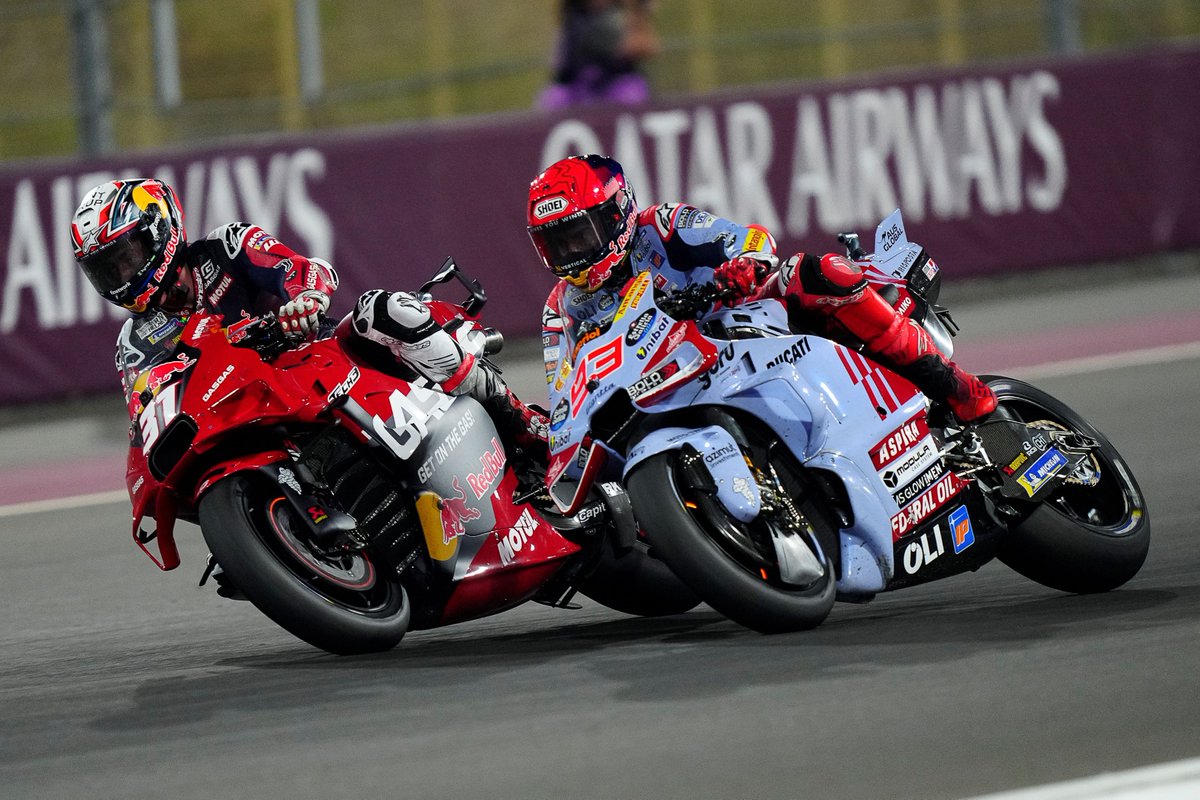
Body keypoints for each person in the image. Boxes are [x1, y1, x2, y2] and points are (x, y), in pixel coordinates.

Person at [71, 178, 545, 459]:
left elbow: (301, 269)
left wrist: (306, 300)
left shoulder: (226, 247)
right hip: (250, 415)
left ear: (160, 231)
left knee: (385, 310)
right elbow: (146, 409)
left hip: (321, 360)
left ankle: (523, 421)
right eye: (106, 270)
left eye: (125, 257)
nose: (121, 276)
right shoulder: (134, 343)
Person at [526, 155, 997, 422]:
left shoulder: (660, 225)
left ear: (615, 213)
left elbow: (750, 239)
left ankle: (955, 385)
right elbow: (564, 395)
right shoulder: (560, 310)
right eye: (556, 243)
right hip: (662, 386)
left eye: (577, 234)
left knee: (812, 273)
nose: (570, 252)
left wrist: (743, 268)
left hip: (738, 325)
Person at [538, 0, 659, 110]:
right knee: (552, 99)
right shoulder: (574, 18)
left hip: (615, 85)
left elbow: (645, 47)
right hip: (577, 88)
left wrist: (638, 11)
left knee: (631, 92)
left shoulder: (617, 16)